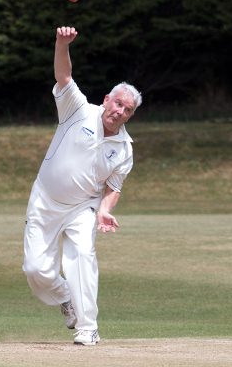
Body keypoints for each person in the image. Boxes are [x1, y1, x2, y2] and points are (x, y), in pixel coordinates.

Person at [23, 26, 142, 346]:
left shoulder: (125, 150)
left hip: (82, 207)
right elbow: (64, 77)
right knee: (36, 270)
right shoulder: (78, 110)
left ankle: (88, 327)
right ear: (106, 99)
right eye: (117, 103)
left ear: (130, 116)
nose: (119, 111)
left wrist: (104, 210)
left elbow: (114, 186)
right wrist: (62, 44)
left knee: (82, 256)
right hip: (45, 200)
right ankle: (65, 297)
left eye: (127, 110)